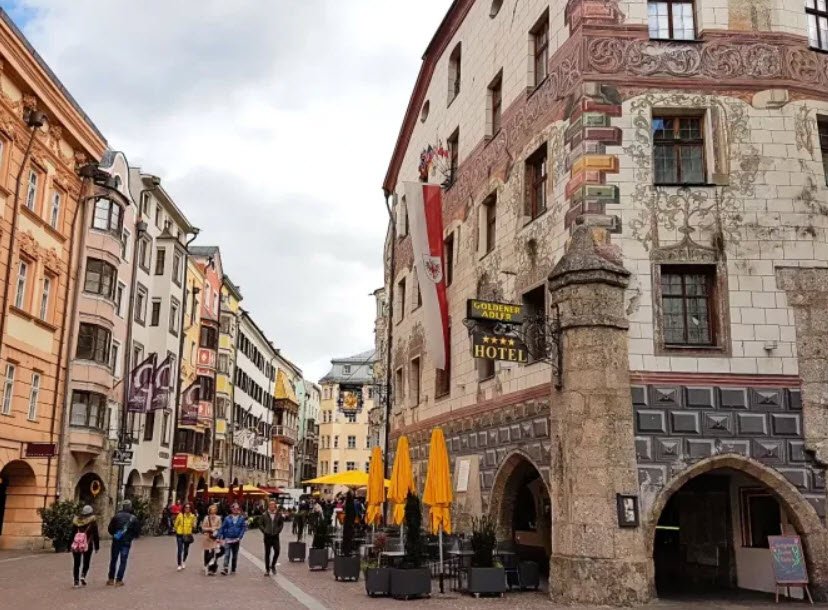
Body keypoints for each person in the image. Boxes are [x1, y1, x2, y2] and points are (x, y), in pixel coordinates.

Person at [106, 500, 141, 587]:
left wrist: (115, 534)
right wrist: (131, 537)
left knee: (113, 559)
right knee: (123, 560)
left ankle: (110, 579)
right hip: (126, 541)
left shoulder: (116, 516)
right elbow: (137, 532)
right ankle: (119, 580)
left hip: (116, 540)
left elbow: (110, 528)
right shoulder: (133, 518)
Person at [70, 505, 100, 588]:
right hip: (87, 544)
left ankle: (76, 581)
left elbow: (72, 534)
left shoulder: (76, 521)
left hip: (76, 545)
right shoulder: (93, 522)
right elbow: (96, 535)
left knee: (76, 563)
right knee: (86, 562)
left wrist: (69, 545)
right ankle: (83, 575)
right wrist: (97, 546)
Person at [217, 502, 247, 575]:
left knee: (235, 555)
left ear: (239, 509)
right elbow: (222, 527)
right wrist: (219, 537)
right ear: (231, 509)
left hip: (236, 539)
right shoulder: (227, 518)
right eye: (234, 508)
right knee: (227, 554)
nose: (235, 510)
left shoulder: (241, 518)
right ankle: (225, 568)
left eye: (237, 508)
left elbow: (243, 528)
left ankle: (233, 568)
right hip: (228, 538)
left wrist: (240, 537)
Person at [258, 500, 284, 577]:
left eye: (273, 505)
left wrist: (278, 531)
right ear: (268, 506)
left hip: (275, 536)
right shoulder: (264, 514)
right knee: (267, 553)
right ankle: (267, 570)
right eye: (270, 505)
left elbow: (281, 524)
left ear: (275, 506)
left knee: (277, 551)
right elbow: (260, 523)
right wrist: (264, 531)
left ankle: (273, 565)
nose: (272, 506)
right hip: (267, 536)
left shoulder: (278, 514)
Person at [201, 504, 223, 576]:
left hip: (214, 537)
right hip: (207, 537)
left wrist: (216, 529)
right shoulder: (206, 518)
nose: (213, 512)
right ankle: (205, 564)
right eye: (211, 511)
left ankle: (212, 568)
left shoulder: (219, 518)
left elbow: (220, 527)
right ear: (209, 511)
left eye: (214, 510)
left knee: (213, 552)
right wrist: (210, 529)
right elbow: (203, 528)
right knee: (206, 551)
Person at [174, 502, 197, 571]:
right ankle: (179, 564)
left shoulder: (192, 516)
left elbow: (194, 526)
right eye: (186, 507)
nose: (187, 509)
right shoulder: (180, 515)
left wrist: (195, 520)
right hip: (180, 534)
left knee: (186, 550)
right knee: (180, 549)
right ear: (183, 508)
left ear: (191, 509)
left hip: (187, 534)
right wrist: (177, 529)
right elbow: (175, 524)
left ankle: (184, 561)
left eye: (189, 507)